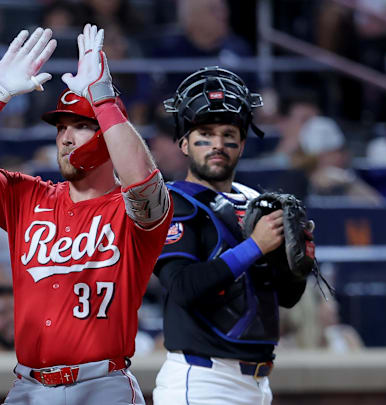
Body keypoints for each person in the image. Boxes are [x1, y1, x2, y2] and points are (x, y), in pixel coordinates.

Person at [0, 25, 172, 404]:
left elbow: (142, 182)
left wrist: (104, 100)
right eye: (61, 127)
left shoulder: (130, 209)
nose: (66, 137)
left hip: (102, 383)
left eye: (80, 126)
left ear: (109, 135)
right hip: (28, 385)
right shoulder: (27, 195)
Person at [152, 66, 309, 405]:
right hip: (203, 379)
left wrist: (298, 261)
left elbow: (286, 297)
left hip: (257, 383)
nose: (218, 144)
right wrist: (255, 246)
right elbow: (182, 288)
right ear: (183, 143)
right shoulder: (174, 201)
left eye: (228, 134)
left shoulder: (255, 201)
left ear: (242, 143)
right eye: (205, 133)